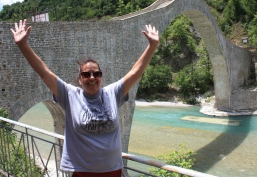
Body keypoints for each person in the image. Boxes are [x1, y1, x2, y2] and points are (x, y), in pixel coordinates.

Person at [10, 19, 159, 177]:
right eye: (86, 74)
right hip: (82, 171)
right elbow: (44, 73)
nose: (92, 77)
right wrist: (23, 45)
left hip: (112, 169)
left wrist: (152, 46)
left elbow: (135, 72)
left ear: (101, 77)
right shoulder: (70, 95)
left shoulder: (113, 93)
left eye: (97, 73)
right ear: (80, 79)